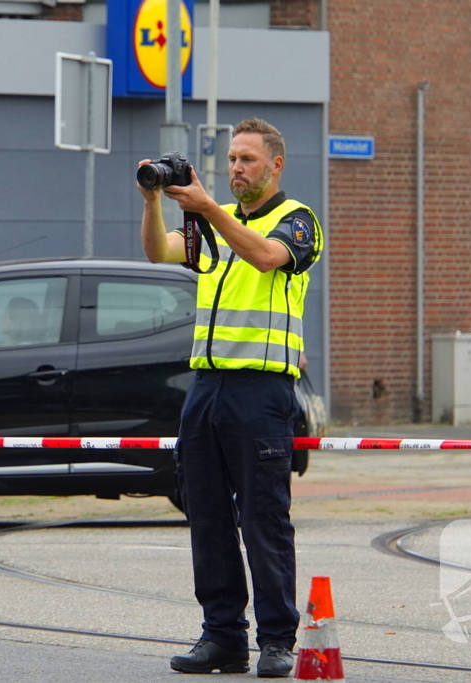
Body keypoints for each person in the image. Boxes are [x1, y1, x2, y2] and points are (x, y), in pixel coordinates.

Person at [137, 118, 322, 678]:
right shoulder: (212, 225)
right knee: (207, 516)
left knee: (264, 520)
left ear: (275, 166)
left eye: (248, 159)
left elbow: (266, 257)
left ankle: (275, 640)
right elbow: (158, 252)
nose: (237, 168)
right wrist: (154, 201)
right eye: (232, 159)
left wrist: (210, 207)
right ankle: (221, 635)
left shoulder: (298, 221)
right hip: (207, 387)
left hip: (261, 390)